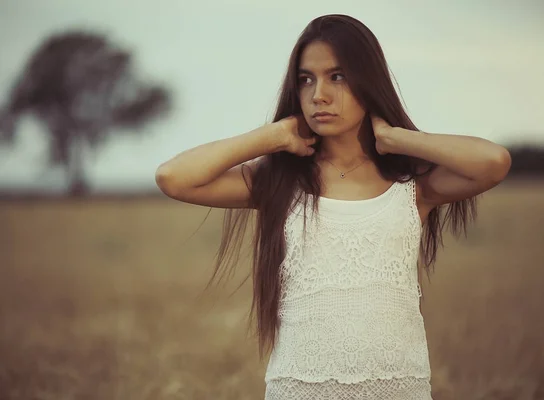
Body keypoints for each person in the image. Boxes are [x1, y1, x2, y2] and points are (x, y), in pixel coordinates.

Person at [155, 14, 511, 400]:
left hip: (398, 388)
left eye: (336, 76)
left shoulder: (411, 184)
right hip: (301, 388)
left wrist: (399, 139)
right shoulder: (279, 181)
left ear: (368, 80)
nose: (317, 95)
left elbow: (492, 162)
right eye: (305, 79)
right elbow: (174, 177)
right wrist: (271, 136)